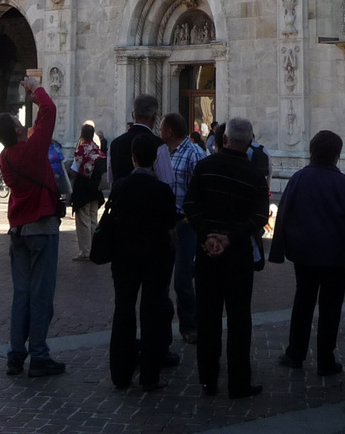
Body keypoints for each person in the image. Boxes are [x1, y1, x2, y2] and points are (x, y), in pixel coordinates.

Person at [183, 116, 270, 399]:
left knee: (207, 318)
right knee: (239, 320)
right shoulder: (254, 175)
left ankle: (208, 380)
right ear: (249, 142)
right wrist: (231, 237)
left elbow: (190, 204)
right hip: (238, 256)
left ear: (223, 139)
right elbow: (259, 216)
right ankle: (238, 382)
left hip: (206, 254)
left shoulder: (204, 167)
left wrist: (208, 235)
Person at [0, 79, 67, 378]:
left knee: (20, 294)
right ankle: (38, 355)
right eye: (17, 121)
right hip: (41, 228)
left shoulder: (4, 158)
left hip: (18, 231)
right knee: (41, 295)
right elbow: (49, 110)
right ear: (17, 131)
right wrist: (36, 89)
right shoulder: (34, 151)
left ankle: (15, 355)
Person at [270, 129, 345, 375]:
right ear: (336, 155)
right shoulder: (343, 183)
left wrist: (279, 248)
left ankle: (295, 353)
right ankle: (325, 359)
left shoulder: (299, 178)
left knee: (303, 302)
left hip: (305, 253)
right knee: (331, 307)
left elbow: (284, 213)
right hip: (336, 256)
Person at [107, 133, 179, 391]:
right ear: (154, 160)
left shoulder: (121, 187)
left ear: (133, 158)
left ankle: (120, 374)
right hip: (155, 259)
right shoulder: (162, 191)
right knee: (152, 313)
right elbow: (171, 226)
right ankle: (150, 375)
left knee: (123, 311)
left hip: (124, 258)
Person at [160, 112, 205, 344]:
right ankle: (164, 329)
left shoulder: (194, 154)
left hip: (186, 225)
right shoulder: (164, 153)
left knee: (183, 279)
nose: (159, 132)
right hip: (167, 223)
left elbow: (201, 190)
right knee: (164, 278)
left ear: (169, 131)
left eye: (161, 128)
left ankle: (190, 325)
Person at [109, 94, 173, 184]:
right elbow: (167, 181)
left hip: (121, 196)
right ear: (154, 117)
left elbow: (111, 180)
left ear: (133, 115)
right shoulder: (159, 145)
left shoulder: (115, 144)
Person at [69, 122, 106, 261]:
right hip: (96, 189)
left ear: (82, 135)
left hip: (83, 188)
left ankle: (85, 251)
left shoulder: (81, 149)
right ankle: (93, 247)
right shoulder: (97, 149)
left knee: (83, 219)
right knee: (93, 219)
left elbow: (75, 170)